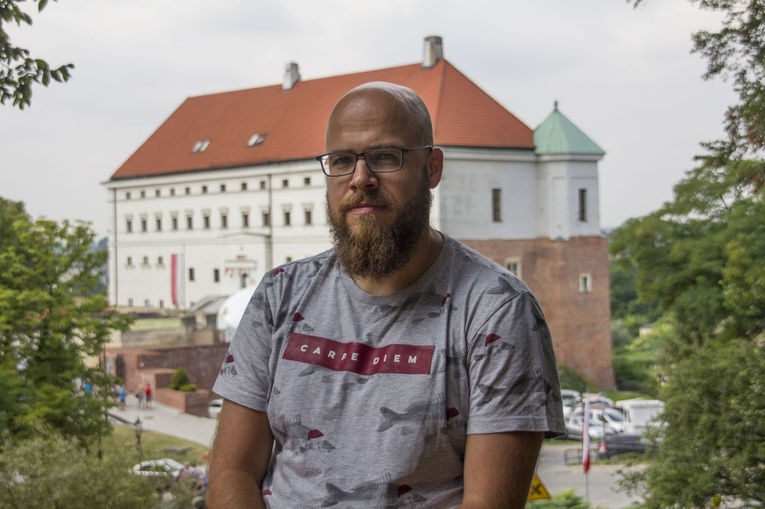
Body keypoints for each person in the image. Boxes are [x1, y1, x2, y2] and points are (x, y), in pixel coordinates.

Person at [207, 82, 565, 508]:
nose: (361, 179)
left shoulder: (497, 311)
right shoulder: (278, 295)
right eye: (342, 161)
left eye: (384, 157)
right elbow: (232, 472)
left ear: (432, 168)